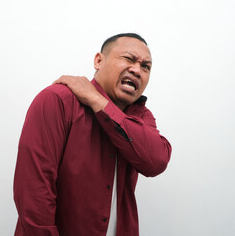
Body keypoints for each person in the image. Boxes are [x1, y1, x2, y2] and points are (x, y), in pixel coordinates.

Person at [13, 33, 172, 236]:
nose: (137, 70)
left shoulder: (140, 116)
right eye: (129, 59)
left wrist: (98, 101)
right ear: (98, 60)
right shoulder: (57, 100)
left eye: (146, 67)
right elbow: (33, 193)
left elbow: (156, 161)